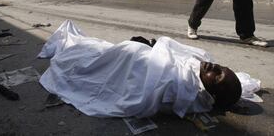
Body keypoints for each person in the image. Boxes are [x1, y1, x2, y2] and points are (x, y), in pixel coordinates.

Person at [39, 21, 249, 118]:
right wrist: (153, 47)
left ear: (211, 93)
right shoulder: (199, 69)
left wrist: (144, 50)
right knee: (93, 47)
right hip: (121, 56)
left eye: (218, 75)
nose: (214, 67)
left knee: (79, 58)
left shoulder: (183, 88)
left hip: (123, 63)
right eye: (221, 68)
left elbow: (148, 86)